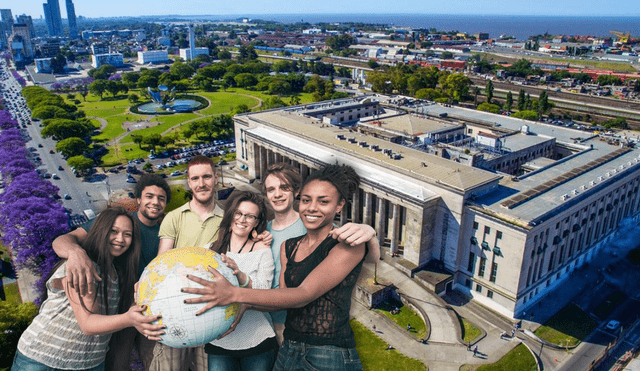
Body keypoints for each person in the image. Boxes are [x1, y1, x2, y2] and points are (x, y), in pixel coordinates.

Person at [184, 164, 379, 370]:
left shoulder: (344, 241)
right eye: (306, 200)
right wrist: (244, 306)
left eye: (323, 201)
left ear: (339, 205)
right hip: (289, 345)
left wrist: (369, 232)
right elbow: (283, 299)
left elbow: (304, 293)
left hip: (328, 352)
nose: (311, 207)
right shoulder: (284, 243)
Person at [156, 155, 271, 371]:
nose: (202, 183)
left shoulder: (227, 220)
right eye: (196, 178)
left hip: (210, 315)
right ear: (189, 183)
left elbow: (247, 232)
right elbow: (161, 262)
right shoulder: (174, 217)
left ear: (215, 178)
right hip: (176, 307)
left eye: (207, 177)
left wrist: (263, 237)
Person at [13, 207, 165, 371]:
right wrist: (129, 319)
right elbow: (87, 324)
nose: (120, 239)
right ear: (100, 231)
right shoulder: (80, 266)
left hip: (90, 364)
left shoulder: (117, 273)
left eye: (127, 234)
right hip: (43, 360)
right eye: (113, 231)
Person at [52, 174, 171, 371]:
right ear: (139, 199)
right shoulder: (120, 223)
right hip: (115, 306)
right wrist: (75, 252)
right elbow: (63, 240)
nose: (155, 202)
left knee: (157, 363)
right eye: (149, 196)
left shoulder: (166, 233)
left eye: (161, 198)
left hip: (148, 307)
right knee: (118, 364)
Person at [262, 163, 379, 345]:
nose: (277, 194)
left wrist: (369, 232)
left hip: (302, 325)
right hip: (266, 316)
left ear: (296, 192)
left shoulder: (316, 224)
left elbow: (366, 257)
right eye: (271, 189)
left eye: (284, 188)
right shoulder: (264, 231)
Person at [204, 191, 277, 371]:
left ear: (257, 222)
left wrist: (241, 275)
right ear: (230, 215)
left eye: (250, 216)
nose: (243, 219)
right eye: (239, 213)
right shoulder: (209, 250)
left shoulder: (262, 250)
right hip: (219, 340)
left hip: (257, 341)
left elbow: (265, 293)